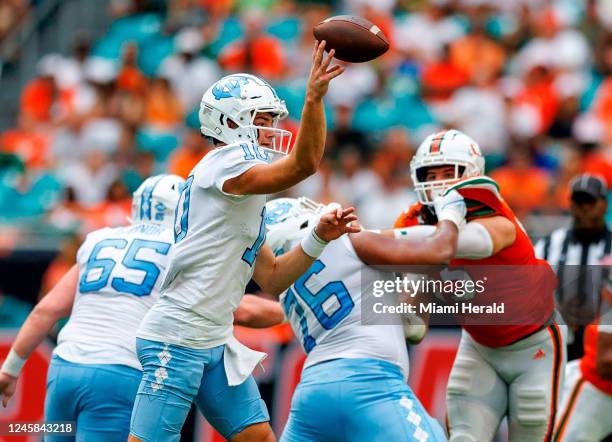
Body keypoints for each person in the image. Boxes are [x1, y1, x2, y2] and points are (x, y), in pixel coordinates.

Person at [129, 41, 355, 442]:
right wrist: (314, 98)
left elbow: (271, 278)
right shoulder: (225, 164)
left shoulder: (241, 194)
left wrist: (318, 237)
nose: (272, 130)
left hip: (213, 337)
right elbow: (304, 164)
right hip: (178, 336)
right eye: (263, 119)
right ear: (229, 123)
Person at [0, 174, 284, 441]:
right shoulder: (183, 249)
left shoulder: (99, 239)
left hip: (64, 371)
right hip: (122, 372)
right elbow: (237, 310)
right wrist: (290, 310)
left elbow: (45, 310)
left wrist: (10, 370)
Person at [394, 129, 566, 441]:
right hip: (479, 347)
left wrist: (408, 243)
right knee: (463, 437)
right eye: (429, 174)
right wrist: (415, 274)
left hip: (534, 347)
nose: (438, 183)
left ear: (471, 175)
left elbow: (470, 243)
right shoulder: (420, 226)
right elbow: (414, 328)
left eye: (449, 173)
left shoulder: (495, 217)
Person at [264, 193, 468, 442]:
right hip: (369, 382)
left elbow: (411, 327)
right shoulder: (350, 242)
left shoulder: (284, 286)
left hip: (312, 393)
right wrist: (451, 213)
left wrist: (417, 278)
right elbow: (440, 251)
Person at [536, 174, 610, 360]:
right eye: (579, 202)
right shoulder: (549, 244)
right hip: (558, 340)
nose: (584, 208)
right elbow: (528, 288)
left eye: (590, 202)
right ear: (570, 204)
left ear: (604, 204)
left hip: (604, 343)